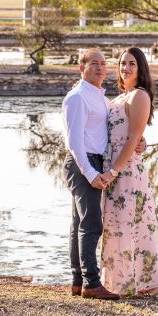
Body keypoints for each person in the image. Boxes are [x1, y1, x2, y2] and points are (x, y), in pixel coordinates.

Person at [62, 48, 145, 300]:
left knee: (79, 224)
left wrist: (142, 142)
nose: (100, 68)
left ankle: (78, 282)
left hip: (97, 162)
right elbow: (74, 142)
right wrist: (89, 173)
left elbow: (119, 130)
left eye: (103, 63)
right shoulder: (77, 98)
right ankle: (91, 283)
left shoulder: (100, 98)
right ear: (81, 68)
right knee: (91, 224)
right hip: (83, 163)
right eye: (93, 63)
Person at [100, 47, 158, 297]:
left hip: (126, 172)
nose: (125, 68)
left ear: (140, 69)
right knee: (115, 226)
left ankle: (143, 283)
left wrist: (114, 171)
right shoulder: (118, 98)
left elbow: (133, 138)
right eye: (122, 63)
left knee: (131, 224)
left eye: (131, 64)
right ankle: (119, 281)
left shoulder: (139, 96)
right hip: (112, 167)